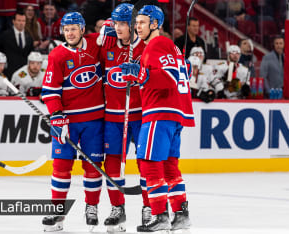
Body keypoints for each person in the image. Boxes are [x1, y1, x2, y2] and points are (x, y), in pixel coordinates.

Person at [121, 5, 194, 232]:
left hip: (159, 113)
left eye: (142, 22)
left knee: (149, 164)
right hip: (174, 114)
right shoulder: (170, 47)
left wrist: (139, 73)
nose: (137, 27)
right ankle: (181, 215)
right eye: (137, 23)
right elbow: (185, 71)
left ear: (155, 24)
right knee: (170, 166)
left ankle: (160, 216)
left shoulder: (156, 44)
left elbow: (166, 78)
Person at [41, 12, 105, 231]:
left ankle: (92, 207)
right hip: (66, 122)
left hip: (94, 121)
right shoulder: (57, 55)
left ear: (82, 29)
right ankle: (57, 212)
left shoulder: (96, 44)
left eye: (73, 28)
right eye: (66, 29)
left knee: (93, 167)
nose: (69, 33)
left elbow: (113, 31)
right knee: (60, 167)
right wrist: (56, 115)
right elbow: (50, 92)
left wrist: (109, 26)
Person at [99, 3, 149, 232]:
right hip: (113, 117)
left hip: (139, 116)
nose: (118, 28)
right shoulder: (107, 43)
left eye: (123, 24)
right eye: (116, 23)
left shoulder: (145, 47)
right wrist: (102, 31)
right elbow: (88, 43)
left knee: (146, 163)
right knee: (112, 164)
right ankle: (117, 208)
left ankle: (149, 208)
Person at [0, 11, 35, 78]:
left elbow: (31, 54)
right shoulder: (5, 35)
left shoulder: (29, 37)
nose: (21, 23)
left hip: (24, 74)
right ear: (13, 21)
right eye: (19, 20)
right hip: (8, 73)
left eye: (23, 21)